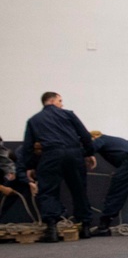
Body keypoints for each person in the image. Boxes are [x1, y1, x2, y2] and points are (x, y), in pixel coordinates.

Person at [17, 92, 97, 241]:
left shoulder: (34, 120)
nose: (62, 104)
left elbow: (28, 146)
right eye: (60, 100)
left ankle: (52, 229)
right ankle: (85, 227)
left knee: (48, 191)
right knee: (79, 189)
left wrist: (30, 166)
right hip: (74, 153)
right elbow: (85, 135)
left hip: (51, 154)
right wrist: (88, 153)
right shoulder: (68, 114)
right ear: (52, 101)